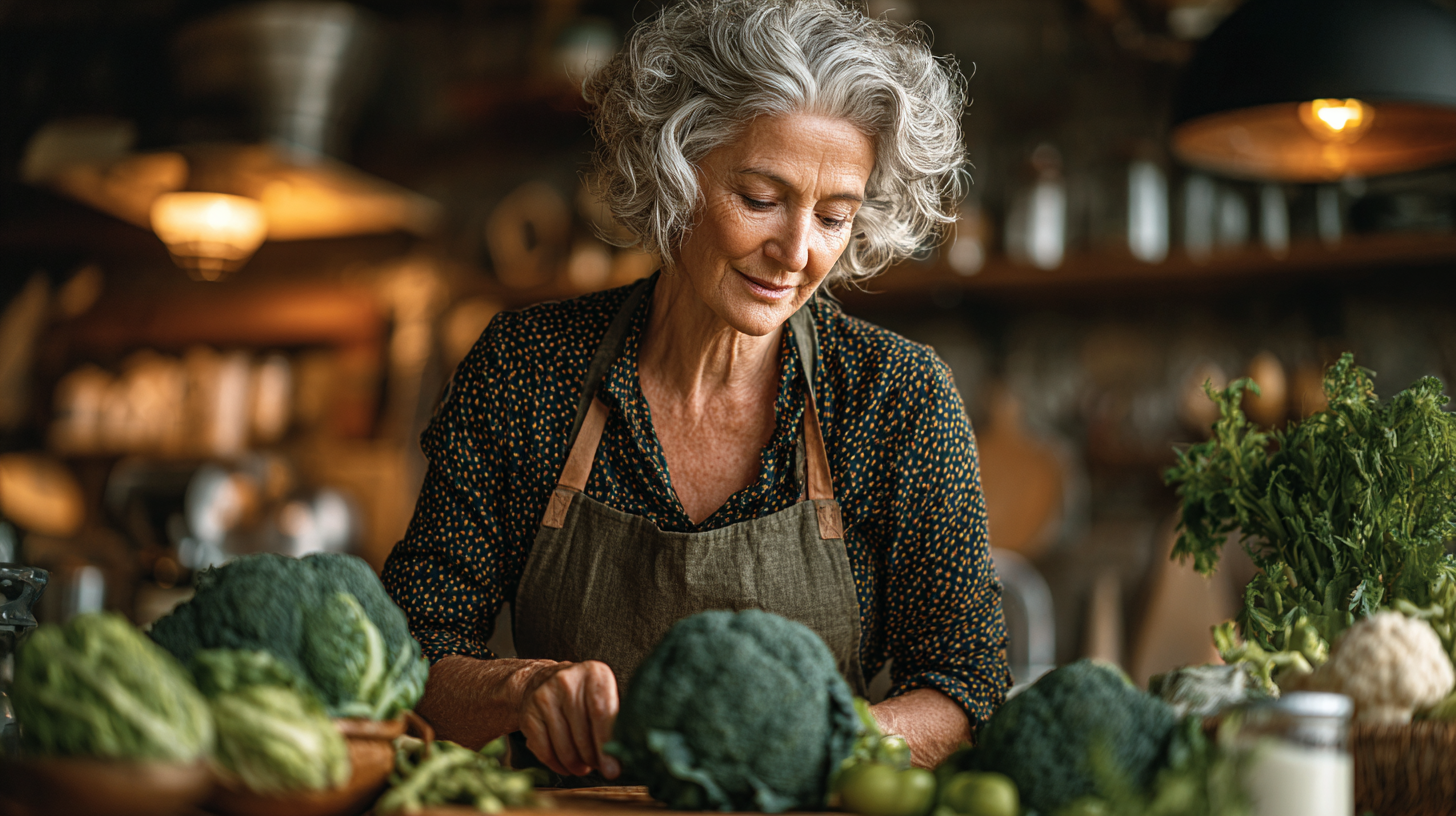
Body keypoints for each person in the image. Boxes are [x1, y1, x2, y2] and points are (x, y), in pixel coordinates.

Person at [383, 0, 1010, 782]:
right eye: (760, 198)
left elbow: (967, 684)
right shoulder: (526, 369)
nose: (796, 252)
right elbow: (408, 650)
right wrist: (522, 691)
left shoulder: (898, 402)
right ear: (675, 169)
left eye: (835, 216)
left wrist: (813, 744)